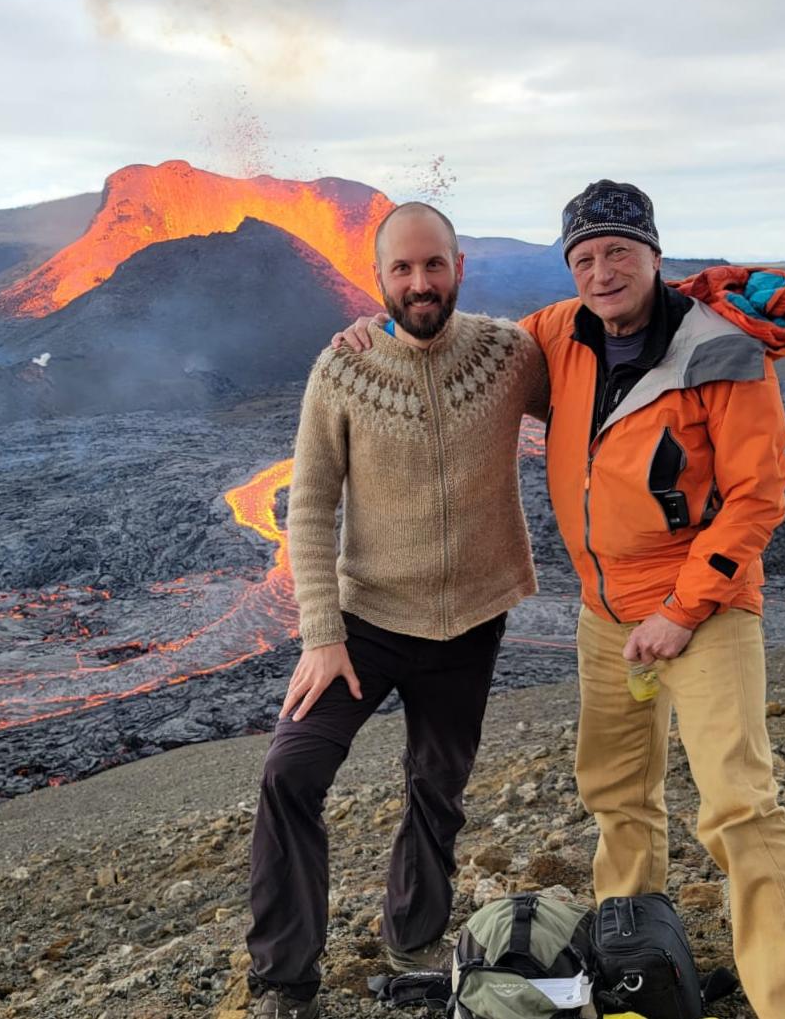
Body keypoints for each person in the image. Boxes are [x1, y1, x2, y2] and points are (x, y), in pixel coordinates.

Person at [336, 181, 785, 1019]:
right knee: (618, 799)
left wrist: (681, 611)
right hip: (606, 618)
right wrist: (385, 328)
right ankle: (634, 977)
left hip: (704, 614)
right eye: (584, 257)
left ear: (654, 254)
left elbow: (757, 497)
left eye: (619, 252)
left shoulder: (720, 349)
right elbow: (462, 342)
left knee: (739, 812)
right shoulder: (558, 335)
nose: (602, 271)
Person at [245, 202, 549, 1019]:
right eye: (403, 268)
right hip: (365, 625)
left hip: (472, 621)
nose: (420, 282)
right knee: (291, 771)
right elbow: (307, 507)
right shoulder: (340, 370)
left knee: (438, 786)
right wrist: (320, 634)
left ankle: (411, 933)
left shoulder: (509, 353)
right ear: (377, 277)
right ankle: (285, 980)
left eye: (433, 264)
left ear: (459, 267)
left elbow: (595, 395)